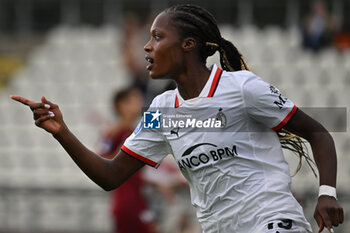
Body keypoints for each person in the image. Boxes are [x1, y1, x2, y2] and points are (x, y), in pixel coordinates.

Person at [11, 4, 343, 233]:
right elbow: (111, 175)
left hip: (272, 220)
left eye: (157, 37)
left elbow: (318, 132)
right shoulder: (161, 112)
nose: (147, 47)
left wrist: (327, 192)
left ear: (187, 44)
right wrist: (62, 132)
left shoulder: (242, 88)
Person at [96, 87, 157, 233]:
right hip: (125, 201)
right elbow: (100, 160)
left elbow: (134, 172)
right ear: (121, 105)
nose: (140, 102)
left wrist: (158, 183)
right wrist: (123, 152)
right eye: (135, 99)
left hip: (139, 198)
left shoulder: (136, 132)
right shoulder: (114, 133)